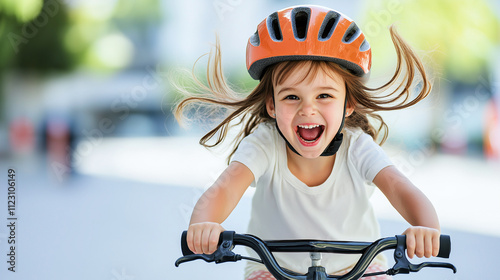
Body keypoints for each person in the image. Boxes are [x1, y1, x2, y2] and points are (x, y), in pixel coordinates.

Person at [174, 5, 441, 280]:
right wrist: (204, 225)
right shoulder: (265, 142)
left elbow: (400, 189)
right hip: (272, 269)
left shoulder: (357, 147)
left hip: (359, 267)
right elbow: (225, 190)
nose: (307, 109)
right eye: (291, 97)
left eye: (324, 95)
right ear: (272, 105)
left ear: (349, 103)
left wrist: (425, 229)